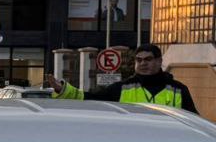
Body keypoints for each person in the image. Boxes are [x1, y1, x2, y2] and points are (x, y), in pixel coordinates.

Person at [46, 43, 198, 112]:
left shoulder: (178, 90)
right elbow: (91, 100)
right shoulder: (121, 88)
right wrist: (63, 90)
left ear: (159, 61)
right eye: (138, 60)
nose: (142, 63)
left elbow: (194, 122)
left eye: (148, 59)